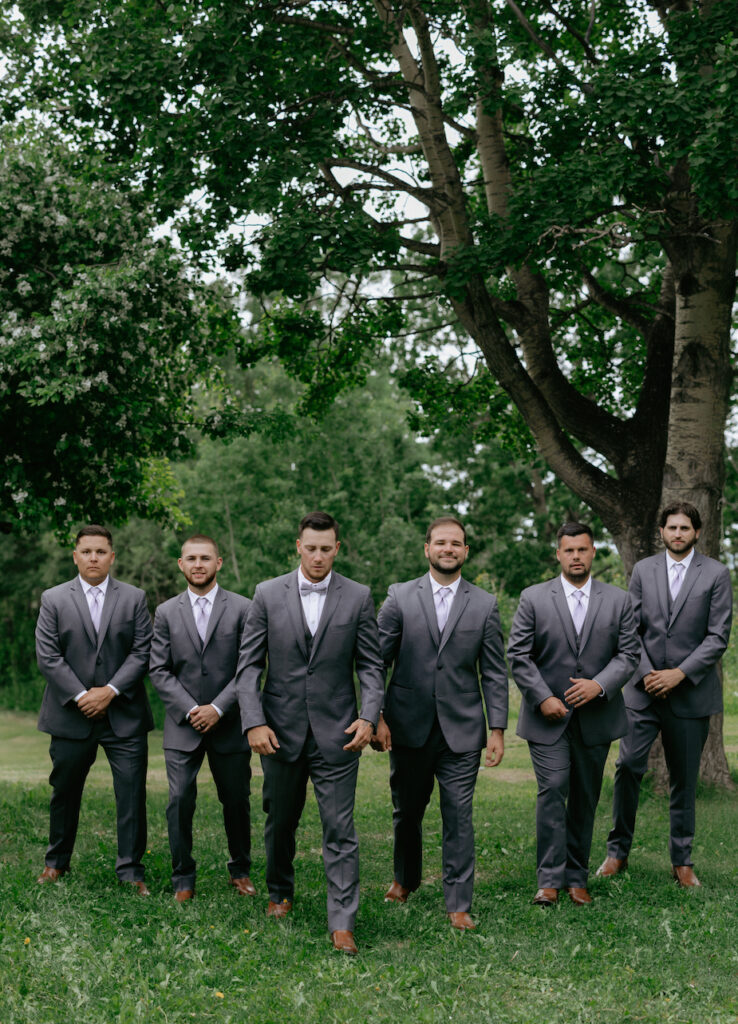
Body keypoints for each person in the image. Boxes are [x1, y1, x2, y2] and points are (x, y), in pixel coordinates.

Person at [236, 511, 384, 955]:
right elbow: (248, 668)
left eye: (326, 548)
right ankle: (280, 892)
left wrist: (368, 716)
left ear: (338, 549)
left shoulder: (358, 597)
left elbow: (371, 666)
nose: (318, 556)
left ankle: (342, 921)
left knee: (340, 828)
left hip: (339, 732)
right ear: (297, 547)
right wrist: (254, 721)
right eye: (311, 547)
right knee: (280, 822)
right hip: (277, 733)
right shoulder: (265, 594)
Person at [373, 516, 508, 931]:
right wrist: (374, 715)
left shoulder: (484, 604)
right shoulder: (398, 597)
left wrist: (498, 728)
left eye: (457, 543)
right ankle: (405, 878)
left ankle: (458, 903)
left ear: (465, 551)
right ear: (427, 549)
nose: (448, 549)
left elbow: (495, 672)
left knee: (459, 815)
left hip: (462, 730)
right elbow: (376, 661)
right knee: (407, 812)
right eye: (441, 543)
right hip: (407, 726)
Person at [597, 501, 732, 888]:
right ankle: (617, 852)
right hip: (642, 693)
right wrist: (646, 675)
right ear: (662, 532)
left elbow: (717, 636)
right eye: (671, 528)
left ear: (696, 533)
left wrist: (679, 674)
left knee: (684, 780)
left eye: (684, 529)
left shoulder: (717, 574)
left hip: (690, 695)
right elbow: (630, 630)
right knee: (627, 769)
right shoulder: (643, 570)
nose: (677, 534)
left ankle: (682, 860)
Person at [507, 523, 639, 906]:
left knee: (585, 794)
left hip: (596, 717)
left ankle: (576, 876)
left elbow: (629, 654)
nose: (576, 556)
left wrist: (599, 685)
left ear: (593, 552)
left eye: (582, 550)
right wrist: (542, 697)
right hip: (546, 717)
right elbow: (518, 655)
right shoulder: (533, 597)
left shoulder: (618, 600)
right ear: (559, 554)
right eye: (569, 551)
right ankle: (548, 880)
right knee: (552, 789)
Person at [35, 525, 153, 892]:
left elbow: (142, 651)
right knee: (64, 791)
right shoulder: (53, 599)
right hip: (70, 714)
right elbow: (48, 656)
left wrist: (111, 690)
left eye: (101, 552)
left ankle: (131, 870)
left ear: (112, 557)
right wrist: (83, 696)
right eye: (86, 551)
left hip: (125, 715)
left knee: (132, 794)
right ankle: (56, 863)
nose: (93, 558)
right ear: (75, 556)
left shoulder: (134, 598)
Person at [149, 534, 254, 903]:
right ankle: (183, 877)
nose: (198, 564)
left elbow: (250, 667)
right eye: (191, 558)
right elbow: (159, 669)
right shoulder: (165, 612)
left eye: (205, 558)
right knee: (179, 799)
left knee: (237, 799)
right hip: (183, 725)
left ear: (218, 563)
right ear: (181, 564)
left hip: (229, 723)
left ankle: (240, 870)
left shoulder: (243, 608)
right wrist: (192, 709)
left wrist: (218, 708)